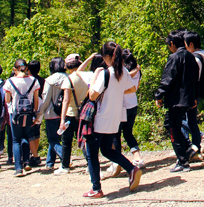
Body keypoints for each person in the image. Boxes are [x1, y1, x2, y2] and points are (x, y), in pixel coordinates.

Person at [84, 42, 142, 198]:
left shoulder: (105, 73)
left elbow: (92, 95)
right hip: (114, 118)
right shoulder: (122, 72)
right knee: (107, 150)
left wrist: (94, 78)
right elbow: (132, 89)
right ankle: (131, 169)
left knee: (92, 153)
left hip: (99, 119)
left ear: (107, 57)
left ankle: (96, 188)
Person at [155, 31, 199, 173]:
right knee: (173, 125)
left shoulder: (174, 57)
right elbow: (194, 80)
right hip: (187, 99)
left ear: (172, 44)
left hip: (176, 100)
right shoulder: (191, 57)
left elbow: (168, 78)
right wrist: (193, 97)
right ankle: (188, 150)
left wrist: (159, 95)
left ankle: (183, 161)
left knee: (172, 127)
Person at [3, 59, 40, 177]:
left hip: (15, 114)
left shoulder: (10, 82)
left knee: (16, 140)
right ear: (27, 68)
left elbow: (7, 100)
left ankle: (18, 168)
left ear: (15, 69)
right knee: (26, 136)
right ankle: (27, 161)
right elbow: (36, 100)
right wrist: (35, 114)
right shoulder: (33, 81)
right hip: (29, 114)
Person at [55, 53, 89, 175]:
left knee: (66, 141)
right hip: (84, 113)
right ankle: (90, 164)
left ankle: (65, 166)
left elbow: (66, 100)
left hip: (70, 113)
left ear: (67, 67)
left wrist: (62, 119)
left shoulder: (68, 79)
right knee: (84, 140)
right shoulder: (86, 77)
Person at [111, 49, 144, 169]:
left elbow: (124, 78)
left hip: (122, 106)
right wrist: (137, 69)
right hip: (133, 104)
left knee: (116, 134)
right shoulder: (137, 71)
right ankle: (137, 157)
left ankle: (117, 161)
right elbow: (136, 87)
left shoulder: (123, 72)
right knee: (128, 132)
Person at [181, 31, 204, 161]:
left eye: (185, 45)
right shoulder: (202, 56)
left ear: (191, 44)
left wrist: (191, 95)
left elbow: (194, 78)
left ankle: (197, 142)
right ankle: (194, 146)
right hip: (195, 93)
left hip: (192, 94)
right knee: (190, 119)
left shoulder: (196, 58)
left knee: (188, 120)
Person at [37, 57, 68, 170]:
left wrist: (39, 114)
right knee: (60, 139)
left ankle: (65, 158)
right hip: (66, 113)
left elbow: (45, 100)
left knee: (53, 139)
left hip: (51, 113)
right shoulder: (69, 78)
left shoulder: (50, 80)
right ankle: (49, 162)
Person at [27, 60, 45, 167]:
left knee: (29, 133)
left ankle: (34, 155)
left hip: (29, 108)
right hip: (40, 108)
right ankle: (35, 154)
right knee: (36, 132)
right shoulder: (43, 80)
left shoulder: (28, 80)